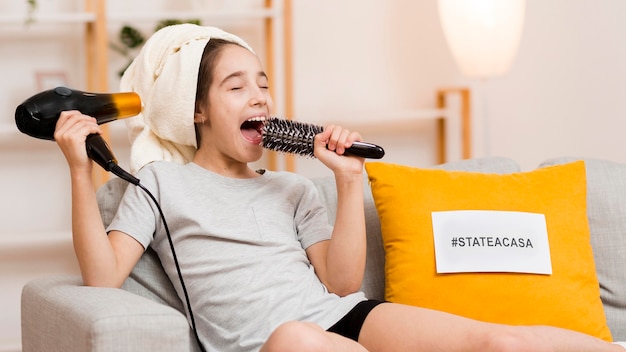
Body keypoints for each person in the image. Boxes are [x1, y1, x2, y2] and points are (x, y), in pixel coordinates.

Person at [53, 24, 624, 352]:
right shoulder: (159, 183)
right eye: (235, 87)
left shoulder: (291, 188)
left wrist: (348, 183)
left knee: (496, 343)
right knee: (296, 341)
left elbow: (341, 282)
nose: (259, 98)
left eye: (264, 84)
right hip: (274, 345)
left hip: (342, 319)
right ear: (197, 109)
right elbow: (103, 276)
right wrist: (82, 172)